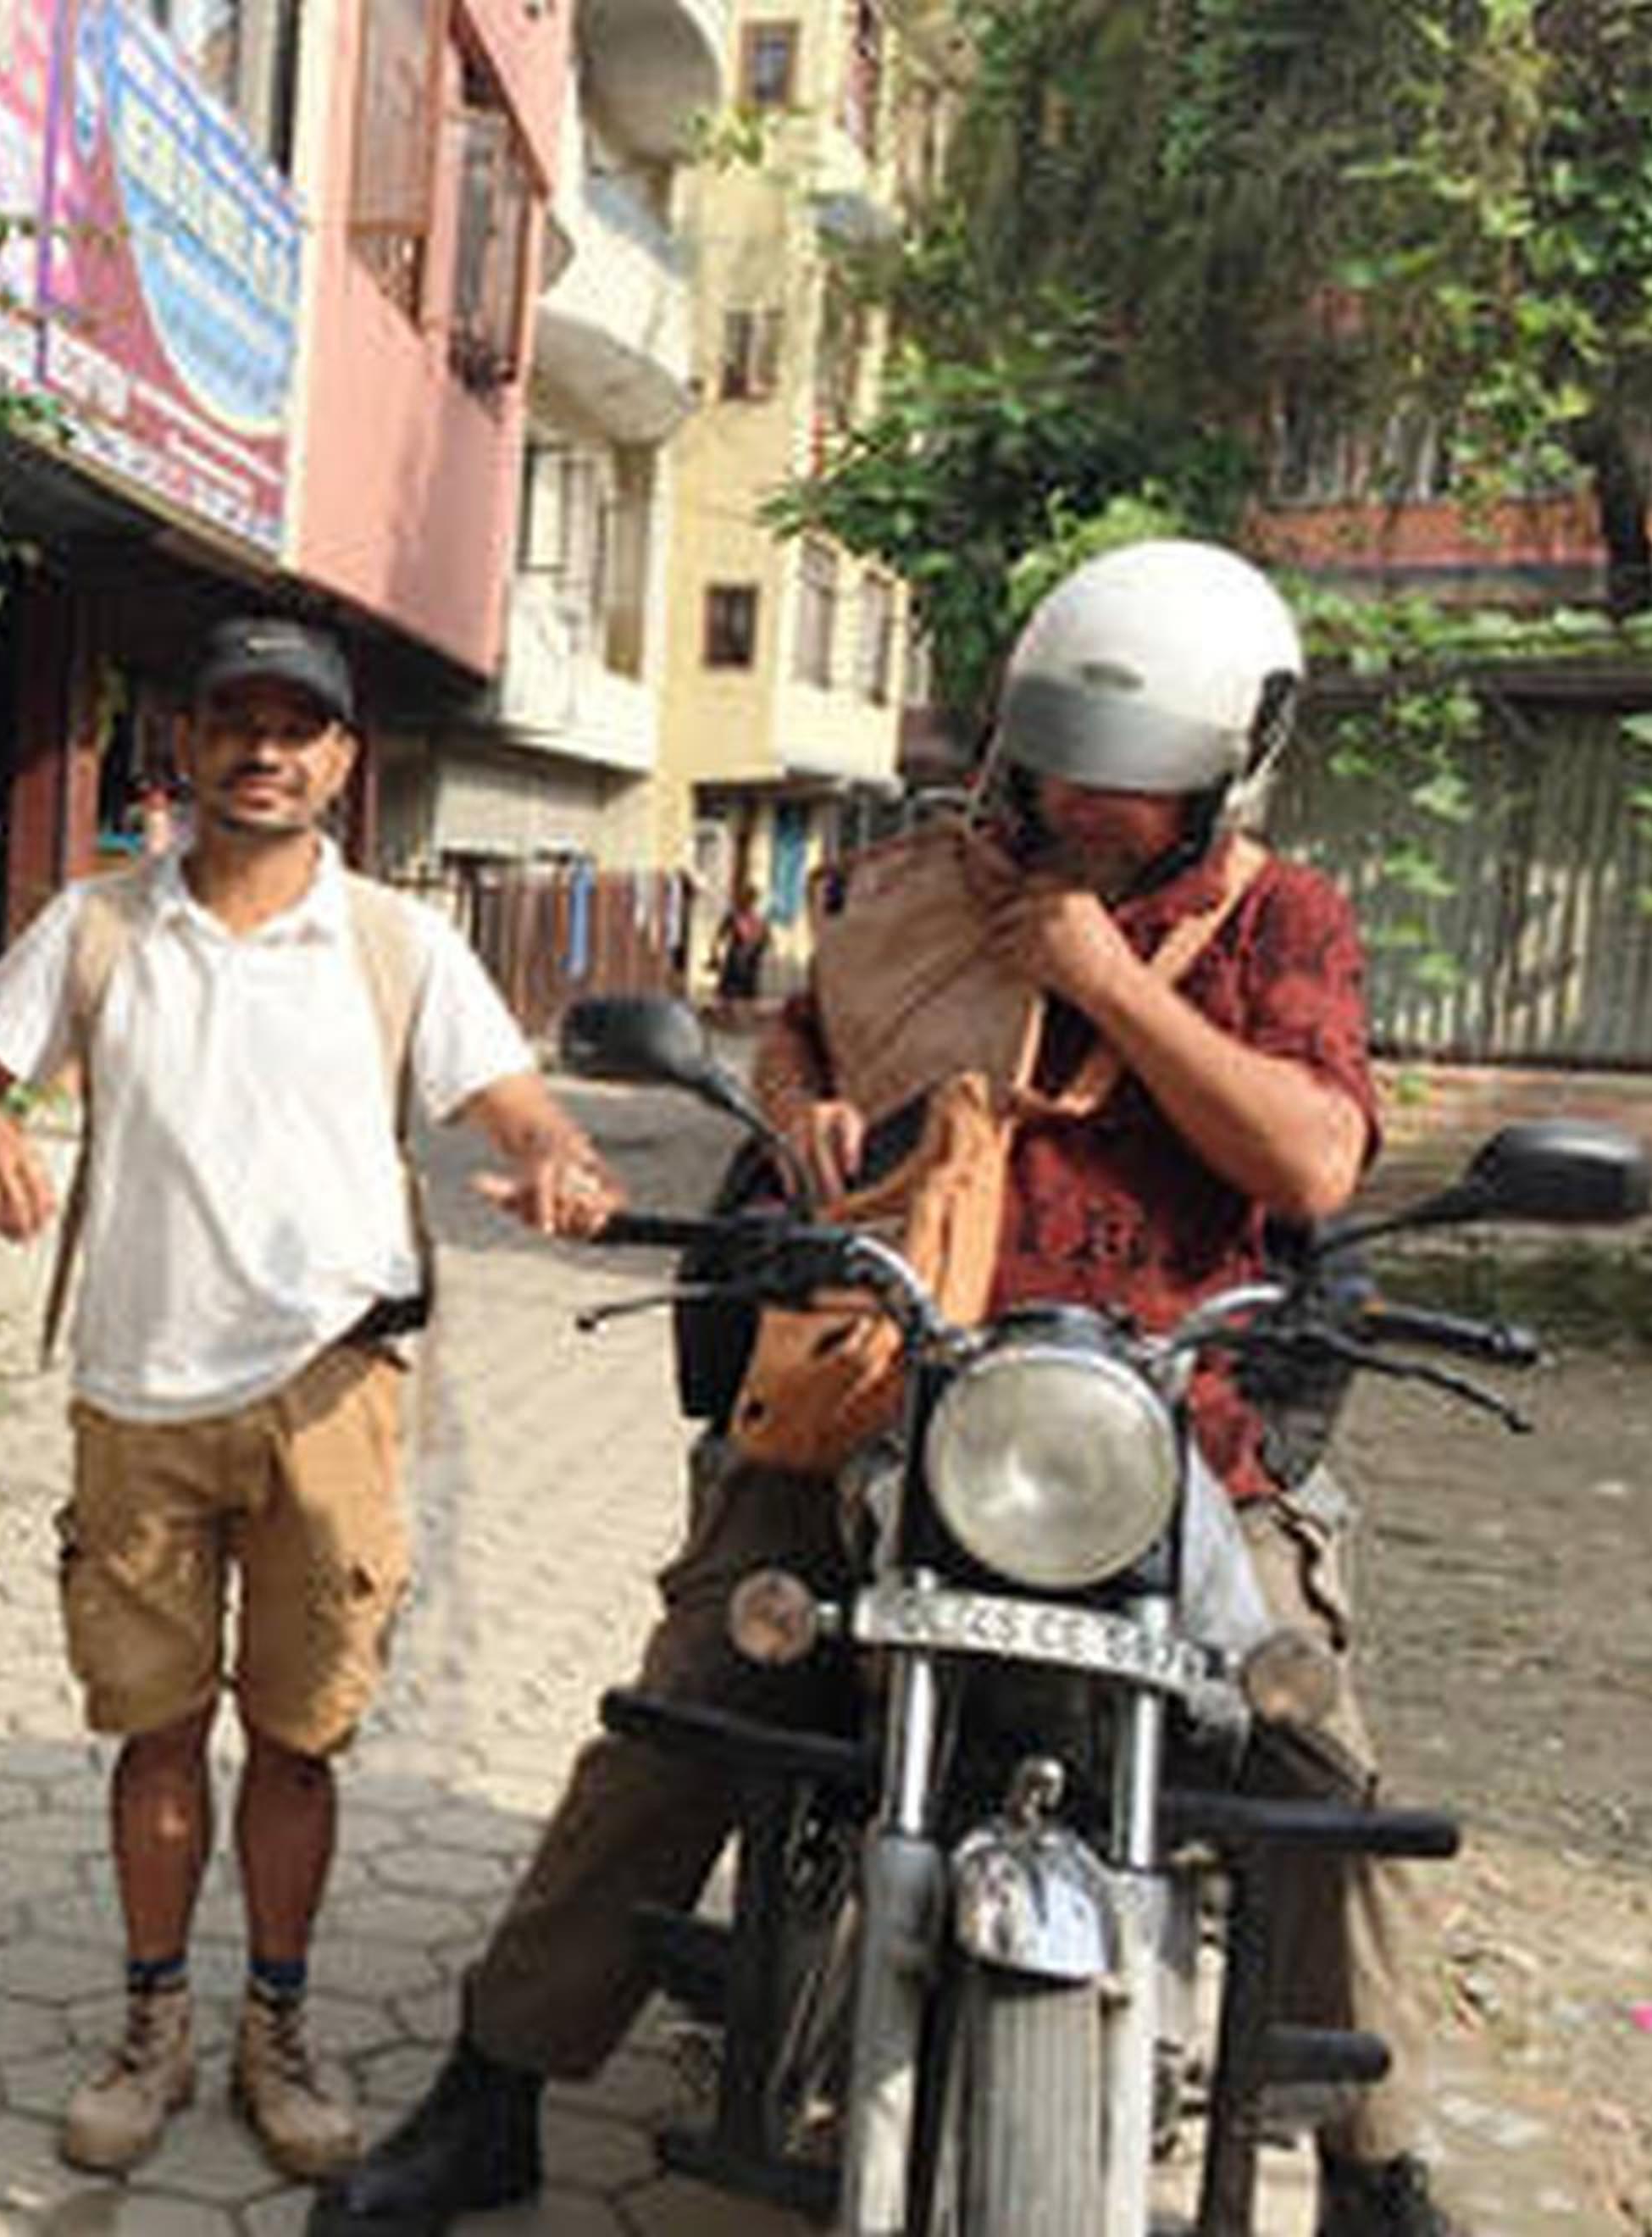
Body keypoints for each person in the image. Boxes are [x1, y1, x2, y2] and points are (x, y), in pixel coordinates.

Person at [313, 541, 1464, 2237]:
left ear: (1226, 776)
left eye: (1131, 782)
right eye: (1055, 764)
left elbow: (1311, 1158)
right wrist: (801, 1109)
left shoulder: (1282, 921)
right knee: (694, 1701)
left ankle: (1380, 2167)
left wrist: (1106, 980)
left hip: (1170, 1437)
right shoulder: (910, 891)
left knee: (1314, 1766)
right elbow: (801, 1035)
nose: (1080, 802)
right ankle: (492, 2092)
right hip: (889, 1397)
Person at [0, 616, 624, 2183]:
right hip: (138, 1394)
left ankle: (278, 2030)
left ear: (342, 760)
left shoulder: (394, 942)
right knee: (156, 1736)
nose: (264, 750)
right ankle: (153, 2025)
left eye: (297, 727)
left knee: (300, 1743)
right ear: (185, 742)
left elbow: (513, 1104)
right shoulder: (99, 926)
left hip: (334, 1391)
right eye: (234, 717)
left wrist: (560, 1161)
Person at [708, 879, 770, 1003]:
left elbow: (767, 940)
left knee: (746, 998)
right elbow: (718, 937)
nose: (749, 901)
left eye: (752, 899)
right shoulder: (734, 915)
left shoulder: (758, 918)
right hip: (735, 963)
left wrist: (758, 950)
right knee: (728, 997)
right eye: (747, 897)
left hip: (749, 964)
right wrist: (714, 955)